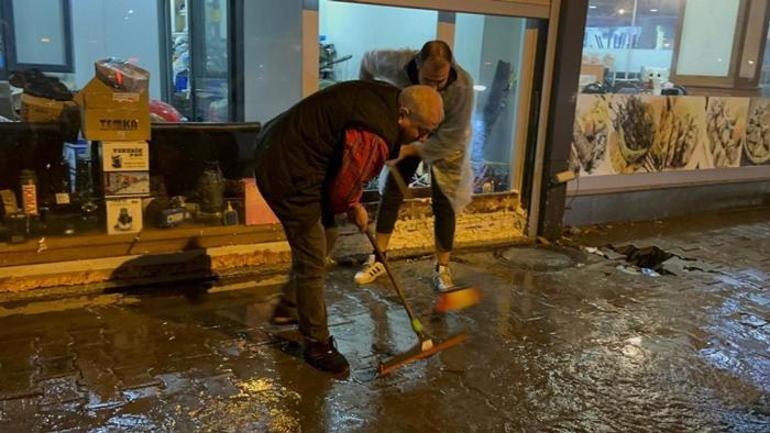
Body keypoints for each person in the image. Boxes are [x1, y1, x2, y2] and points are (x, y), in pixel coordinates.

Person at [253, 81, 443, 377]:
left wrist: (350, 202)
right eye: (421, 130)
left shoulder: (390, 99)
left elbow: (344, 170)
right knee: (313, 253)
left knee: (325, 236)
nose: (423, 137)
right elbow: (343, 191)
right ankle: (317, 344)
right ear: (403, 114)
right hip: (286, 167)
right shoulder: (375, 134)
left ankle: (288, 307)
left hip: (287, 146)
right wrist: (354, 205)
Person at [354, 40, 475, 292]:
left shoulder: (462, 87)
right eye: (427, 79)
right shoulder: (396, 62)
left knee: (444, 201)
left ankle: (443, 268)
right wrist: (370, 100)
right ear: (417, 65)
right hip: (411, 126)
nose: (432, 86)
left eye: (439, 82)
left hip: (445, 139)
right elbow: (366, 61)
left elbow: (451, 137)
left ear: (450, 69)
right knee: (392, 193)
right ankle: (379, 258)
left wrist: (407, 150)